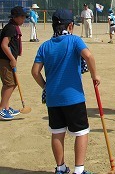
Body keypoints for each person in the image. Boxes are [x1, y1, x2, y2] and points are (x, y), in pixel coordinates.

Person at [31, 9, 100, 174]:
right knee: (81, 132)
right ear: (70, 25)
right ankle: (79, 169)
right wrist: (94, 75)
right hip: (73, 97)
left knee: (57, 133)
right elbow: (89, 56)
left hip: (53, 98)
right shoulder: (75, 41)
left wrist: (46, 86)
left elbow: (35, 72)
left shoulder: (45, 46)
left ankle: (61, 168)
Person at [0, 6, 28, 120]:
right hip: (5, 60)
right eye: (22, 17)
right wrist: (12, 59)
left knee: (11, 83)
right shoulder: (11, 28)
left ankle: (5, 107)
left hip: (8, 60)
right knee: (10, 84)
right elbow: (4, 45)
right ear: (15, 17)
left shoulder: (13, 27)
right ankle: (1, 110)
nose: (24, 19)